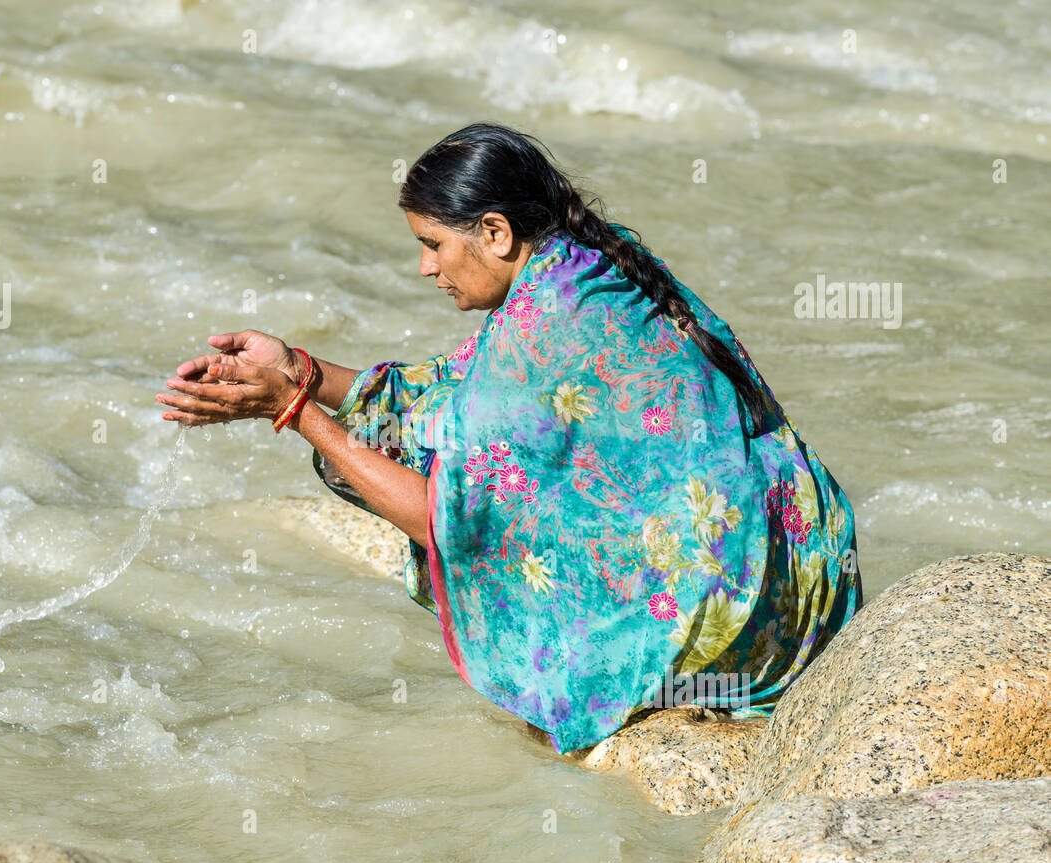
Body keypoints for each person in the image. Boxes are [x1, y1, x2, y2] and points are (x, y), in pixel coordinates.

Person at [157, 122, 863, 755]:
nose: (425, 267)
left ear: (494, 233)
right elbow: (447, 393)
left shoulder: (541, 325)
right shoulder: (582, 267)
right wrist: (300, 371)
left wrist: (295, 413)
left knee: (501, 541)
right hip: (807, 562)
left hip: (745, 617)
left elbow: (445, 519)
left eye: (432, 244)